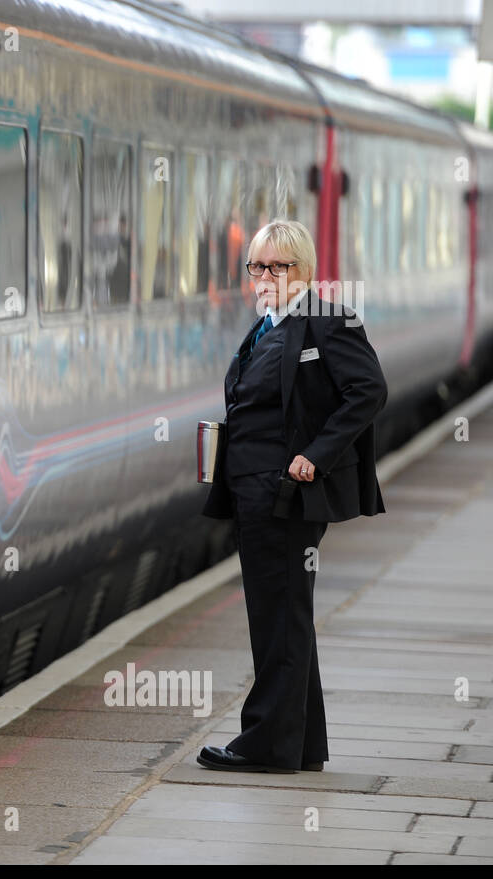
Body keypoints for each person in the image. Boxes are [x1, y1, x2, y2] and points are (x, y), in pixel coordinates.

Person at [199, 219, 387, 773]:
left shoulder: (328, 320)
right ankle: (302, 746)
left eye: (276, 267)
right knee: (285, 617)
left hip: (287, 493)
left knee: (277, 617)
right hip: (253, 492)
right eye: (256, 266)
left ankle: (264, 744)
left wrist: (316, 455)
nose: (263, 277)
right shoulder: (266, 326)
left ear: (303, 270)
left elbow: (368, 389)